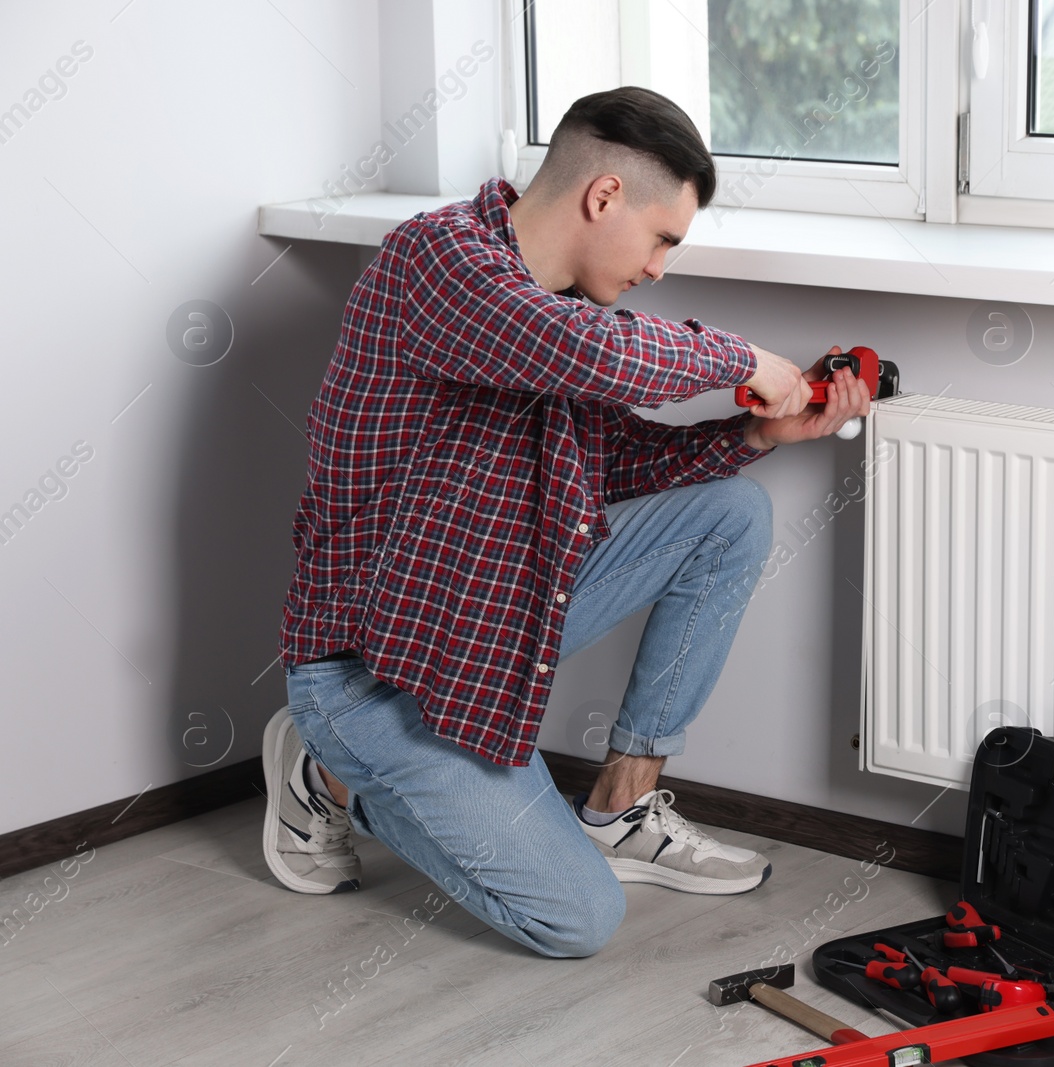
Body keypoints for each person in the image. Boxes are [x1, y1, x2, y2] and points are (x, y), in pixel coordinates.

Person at [260, 86, 872, 957]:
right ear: (604, 197)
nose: (660, 267)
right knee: (577, 921)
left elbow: (621, 458)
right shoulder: (436, 263)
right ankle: (330, 772)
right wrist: (747, 360)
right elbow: (587, 353)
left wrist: (757, 430)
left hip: (484, 624)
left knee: (729, 510)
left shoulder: (564, 312)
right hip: (369, 674)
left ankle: (622, 805)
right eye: (663, 238)